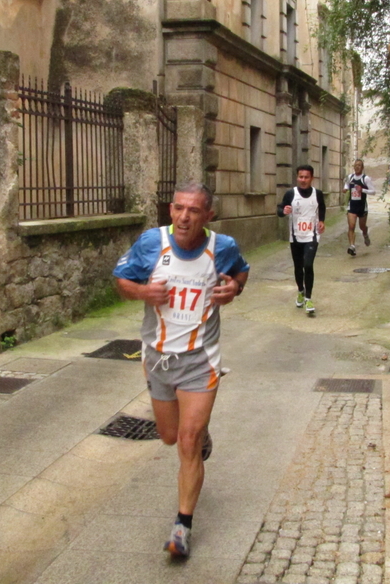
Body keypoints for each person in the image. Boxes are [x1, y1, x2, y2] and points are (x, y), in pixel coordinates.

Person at [113, 182, 249, 558]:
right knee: (170, 436)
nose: (184, 217)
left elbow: (240, 273)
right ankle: (199, 437)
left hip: (200, 360)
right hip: (157, 357)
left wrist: (233, 289)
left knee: (187, 442)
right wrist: (142, 293)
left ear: (208, 215)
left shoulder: (222, 247)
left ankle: (181, 528)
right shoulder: (150, 243)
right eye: (179, 209)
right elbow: (121, 281)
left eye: (193, 210)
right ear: (170, 211)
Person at [277, 165, 326, 315]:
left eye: (306, 177)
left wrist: (322, 221)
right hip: (296, 236)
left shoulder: (317, 194)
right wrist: (283, 211)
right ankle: (300, 291)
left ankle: (308, 299)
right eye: (300, 177)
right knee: (298, 267)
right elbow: (279, 210)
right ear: (297, 177)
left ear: (312, 178)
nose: (303, 180)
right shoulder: (291, 194)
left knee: (308, 264)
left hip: (312, 235)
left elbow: (322, 207)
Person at [344, 159, 376, 256]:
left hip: (362, 207)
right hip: (352, 206)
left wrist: (362, 190)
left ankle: (365, 234)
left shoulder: (366, 179)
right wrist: (345, 189)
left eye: (359, 165)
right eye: (356, 165)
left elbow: (373, 191)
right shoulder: (350, 177)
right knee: (351, 226)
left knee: (362, 227)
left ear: (362, 168)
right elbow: (346, 185)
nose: (357, 167)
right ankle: (352, 246)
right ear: (353, 167)